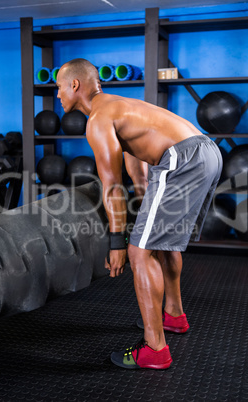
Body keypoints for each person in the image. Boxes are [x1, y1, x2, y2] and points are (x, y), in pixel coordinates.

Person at [56, 58, 223, 370]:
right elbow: (140, 178)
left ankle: (155, 348)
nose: (58, 95)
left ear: (74, 85)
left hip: (181, 159)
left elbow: (112, 186)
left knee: (138, 253)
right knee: (161, 243)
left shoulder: (98, 119)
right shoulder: (120, 107)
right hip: (207, 152)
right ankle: (173, 316)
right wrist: (144, 222)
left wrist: (119, 243)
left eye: (59, 88)